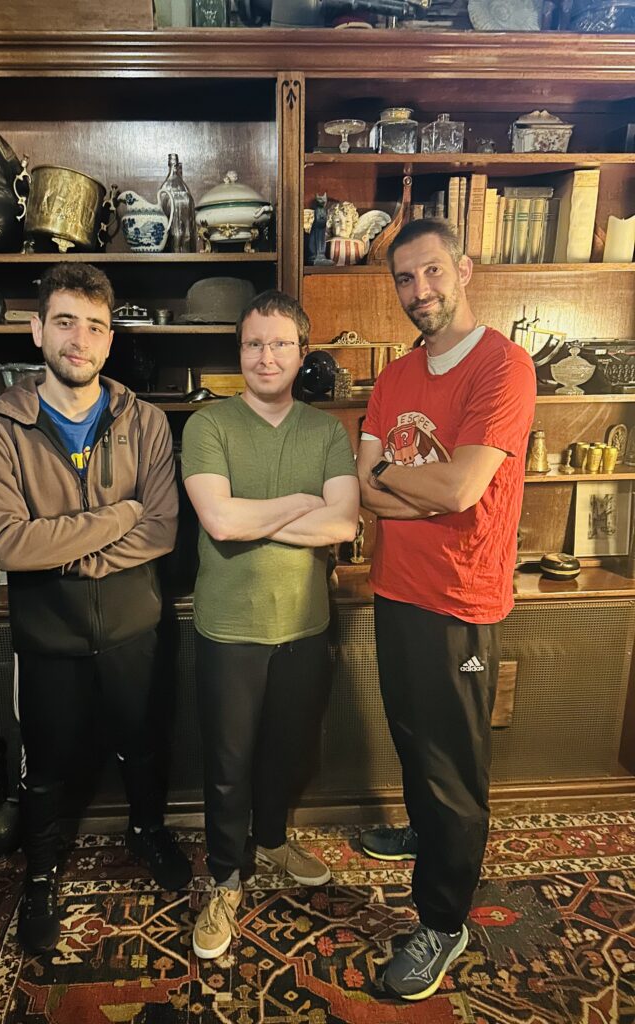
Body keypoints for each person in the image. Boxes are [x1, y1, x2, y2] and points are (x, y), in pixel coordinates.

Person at [0, 263, 191, 955]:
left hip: (134, 626)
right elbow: (9, 543)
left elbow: (162, 529)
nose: (80, 339)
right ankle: (40, 874)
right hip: (47, 635)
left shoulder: (145, 420)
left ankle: (147, 832)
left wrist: (63, 550)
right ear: (37, 330)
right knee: (46, 763)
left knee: (143, 742)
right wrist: (117, 516)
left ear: (110, 340)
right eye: (65, 322)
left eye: (95, 326)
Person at [356, 219, 535, 1000]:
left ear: (464, 268)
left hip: (461, 598)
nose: (419, 290)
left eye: (431, 271)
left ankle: (442, 920)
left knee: (454, 768)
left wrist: (396, 479)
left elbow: (463, 489)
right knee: (411, 735)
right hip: (395, 587)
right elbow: (365, 488)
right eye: (405, 278)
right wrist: (411, 488)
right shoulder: (395, 375)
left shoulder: (504, 365)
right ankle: (427, 834)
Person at [181, 289, 359, 960]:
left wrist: (259, 516)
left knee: (287, 750)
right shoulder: (209, 426)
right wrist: (301, 503)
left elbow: (344, 524)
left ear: (302, 352)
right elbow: (220, 522)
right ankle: (226, 878)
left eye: (280, 343)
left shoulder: (326, 432)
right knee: (228, 764)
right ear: (240, 352)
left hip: (305, 626)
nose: (266, 356)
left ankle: (275, 842)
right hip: (230, 629)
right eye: (254, 343)